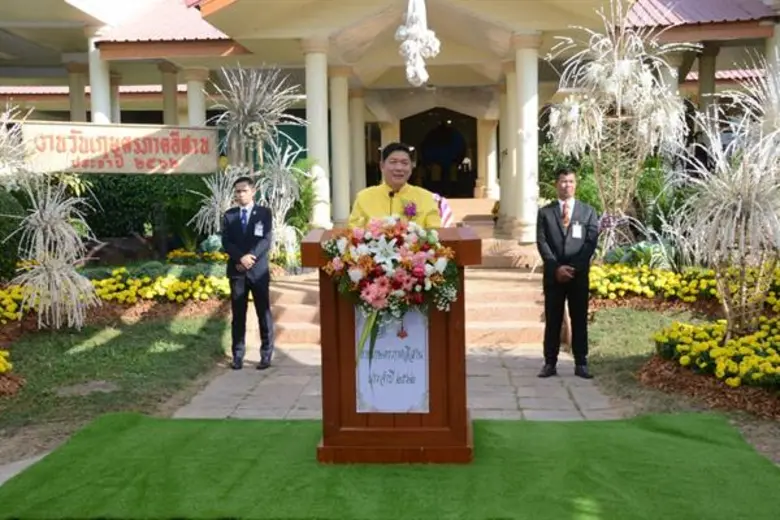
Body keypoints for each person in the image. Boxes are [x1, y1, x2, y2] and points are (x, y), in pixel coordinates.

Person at [536, 167, 599, 379]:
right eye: (563, 181)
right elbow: (542, 243)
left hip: (578, 275)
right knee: (553, 319)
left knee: (579, 318)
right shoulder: (545, 212)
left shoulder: (588, 212)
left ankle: (581, 363)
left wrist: (574, 268)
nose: (567, 185)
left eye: (571, 181)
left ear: (576, 185)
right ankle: (549, 363)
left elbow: (590, 243)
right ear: (556, 184)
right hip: (554, 276)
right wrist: (556, 268)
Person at [221, 176, 275, 371]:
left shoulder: (264, 213)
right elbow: (226, 242)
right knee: (238, 314)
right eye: (237, 191)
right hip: (237, 272)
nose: (240, 194)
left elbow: (266, 240)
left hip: (258, 271)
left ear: (253, 191)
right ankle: (237, 355)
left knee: (263, 312)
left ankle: (266, 353)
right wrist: (240, 258)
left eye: (244, 190)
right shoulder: (229, 215)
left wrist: (250, 257)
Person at [349, 142, 442, 228]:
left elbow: (436, 235)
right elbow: (354, 234)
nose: (399, 168)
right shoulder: (364, 197)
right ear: (382, 166)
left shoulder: (427, 198)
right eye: (393, 162)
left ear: (411, 167)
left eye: (404, 163)